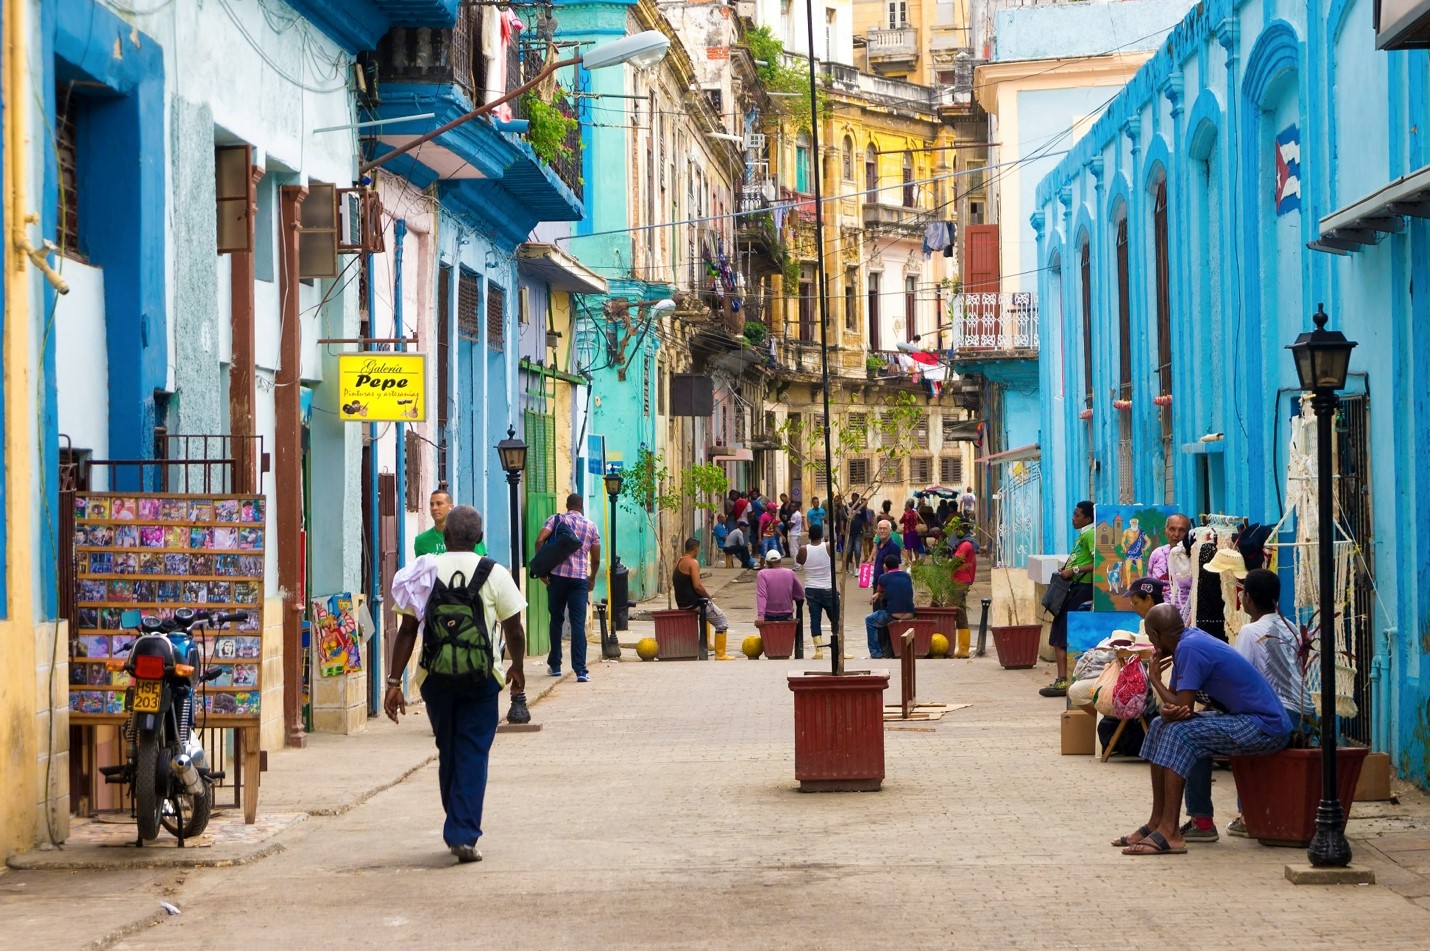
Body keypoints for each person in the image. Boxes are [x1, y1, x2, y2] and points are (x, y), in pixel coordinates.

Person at [385, 506, 525, 864]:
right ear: (479, 539)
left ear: (445, 537)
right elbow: (514, 628)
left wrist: (393, 682)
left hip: (435, 679)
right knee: (473, 753)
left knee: (449, 749)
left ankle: (457, 823)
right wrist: (517, 669)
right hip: (482, 679)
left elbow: (407, 630)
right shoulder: (494, 573)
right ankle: (462, 832)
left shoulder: (424, 571)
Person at [1113, 604, 1291, 856]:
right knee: (1158, 724)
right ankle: (1157, 823)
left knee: (1180, 733)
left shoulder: (1189, 648)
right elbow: (1175, 705)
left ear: (1154, 633)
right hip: (1244, 719)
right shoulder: (1184, 644)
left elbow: (1182, 706)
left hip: (1263, 726)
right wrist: (1166, 711)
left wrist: (1153, 678)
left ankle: (1170, 833)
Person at [1223, 568, 1312, 837]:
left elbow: (1238, 678)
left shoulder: (1250, 631)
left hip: (1279, 715)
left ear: (1246, 598)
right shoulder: (1292, 627)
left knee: (1237, 738)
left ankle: (1247, 815)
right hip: (1306, 713)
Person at [1067, 576, 1164, 718]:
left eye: (1135, 602)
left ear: (1148, 599)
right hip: (1139, 678)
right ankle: (1116, 722)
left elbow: (1151, 654)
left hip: (1140, 683)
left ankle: (1118, 722)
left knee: (1077, 691)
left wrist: (1126, 650)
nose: (1133, 607)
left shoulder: (1156, 622)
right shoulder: (1156, 619)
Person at [533, 493, 601, 683]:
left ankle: (555, 665)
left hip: (557, 578)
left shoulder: (556, 520)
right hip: (579, 580)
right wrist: (592, 579)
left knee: (556, 619)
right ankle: (580, 670)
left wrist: (542, 569)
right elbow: (595, 559)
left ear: (567, 505)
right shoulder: (591, 526)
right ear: (581, 506)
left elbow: (539, 541)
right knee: (578, 623)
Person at [1041, 500, 1096, 697]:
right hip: (1074, 586)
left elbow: (1099, 561)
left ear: (1087, 518)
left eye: (1077, 515)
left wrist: (1073, 570)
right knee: (1059, 633)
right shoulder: (1084, 535)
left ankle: (1063, 680)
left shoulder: (1090, 534)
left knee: (1060, 634)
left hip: (1080, 588)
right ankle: (1063, 679)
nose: (1073, 518)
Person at [673, 537, 736, 659]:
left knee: (707, 617)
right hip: (694, 603)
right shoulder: (693, 562)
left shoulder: (680, 561)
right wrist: (708, 596)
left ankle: (707, 643)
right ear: (696, 549)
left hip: (682, 603)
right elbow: (697, 586)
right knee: (722, 621)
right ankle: (720, 654)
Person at [797, 524, 838, 660]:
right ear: (821, 535)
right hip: (828, 587)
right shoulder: (827, 546)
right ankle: (839, 648)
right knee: (835, 618)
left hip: (812, 588)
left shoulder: (804, 549)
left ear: (809, 536)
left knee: (815, 619)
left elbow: (799, 561)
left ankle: (819, 650)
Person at [413, 487, 489, 557]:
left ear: (451, 507)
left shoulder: (467, 535)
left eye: (439, 504)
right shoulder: (421, 540)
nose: (434, 508)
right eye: (431, 504)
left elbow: (481, 563)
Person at [866, 554, 916, 659]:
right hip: (910, 614)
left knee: (869, 620)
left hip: (892, 615)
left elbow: (879, 590)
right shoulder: (907, 576)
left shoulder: (883, 577)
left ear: (885, 566)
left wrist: (878, 593)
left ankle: (876, 652)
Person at [1148, 513, 1194, 621]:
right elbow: (1149, 588)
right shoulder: (1157, 554)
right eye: (1172, 529)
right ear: (1166, 530)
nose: (1176, 534)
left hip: (1187, 621)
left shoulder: (1194, 557)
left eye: (1181, 530)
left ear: (1188, 533)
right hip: (1160, 619)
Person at [948, 521, 977, 658]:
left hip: (961, 581)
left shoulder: (965, 545)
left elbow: (956, 560)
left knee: (953, 610)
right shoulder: (964, 544)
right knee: (959, 611)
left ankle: (961, 648)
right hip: (959, 580)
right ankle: (962, 649)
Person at [755, 551, 804, 622]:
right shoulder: (790, 572)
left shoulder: (762, 574)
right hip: (786, 614)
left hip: (768, 614)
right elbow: (800, 594)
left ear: (767, 562)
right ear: (780, 561)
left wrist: (761, 616)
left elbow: (762, 595)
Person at [844, 494, 871, 572]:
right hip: (849, 533)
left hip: (858, 533)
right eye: (853, 496)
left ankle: (857, 568)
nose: (855, 498)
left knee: (858, 550)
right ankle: (849, 566)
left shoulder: (861, 507)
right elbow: (843, 519)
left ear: (858, 499)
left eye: (856, 497)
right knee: (848, 551)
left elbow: (865, 520)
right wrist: (842, 530)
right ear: (851, 497)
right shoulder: (847, 507)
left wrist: (867, 531)